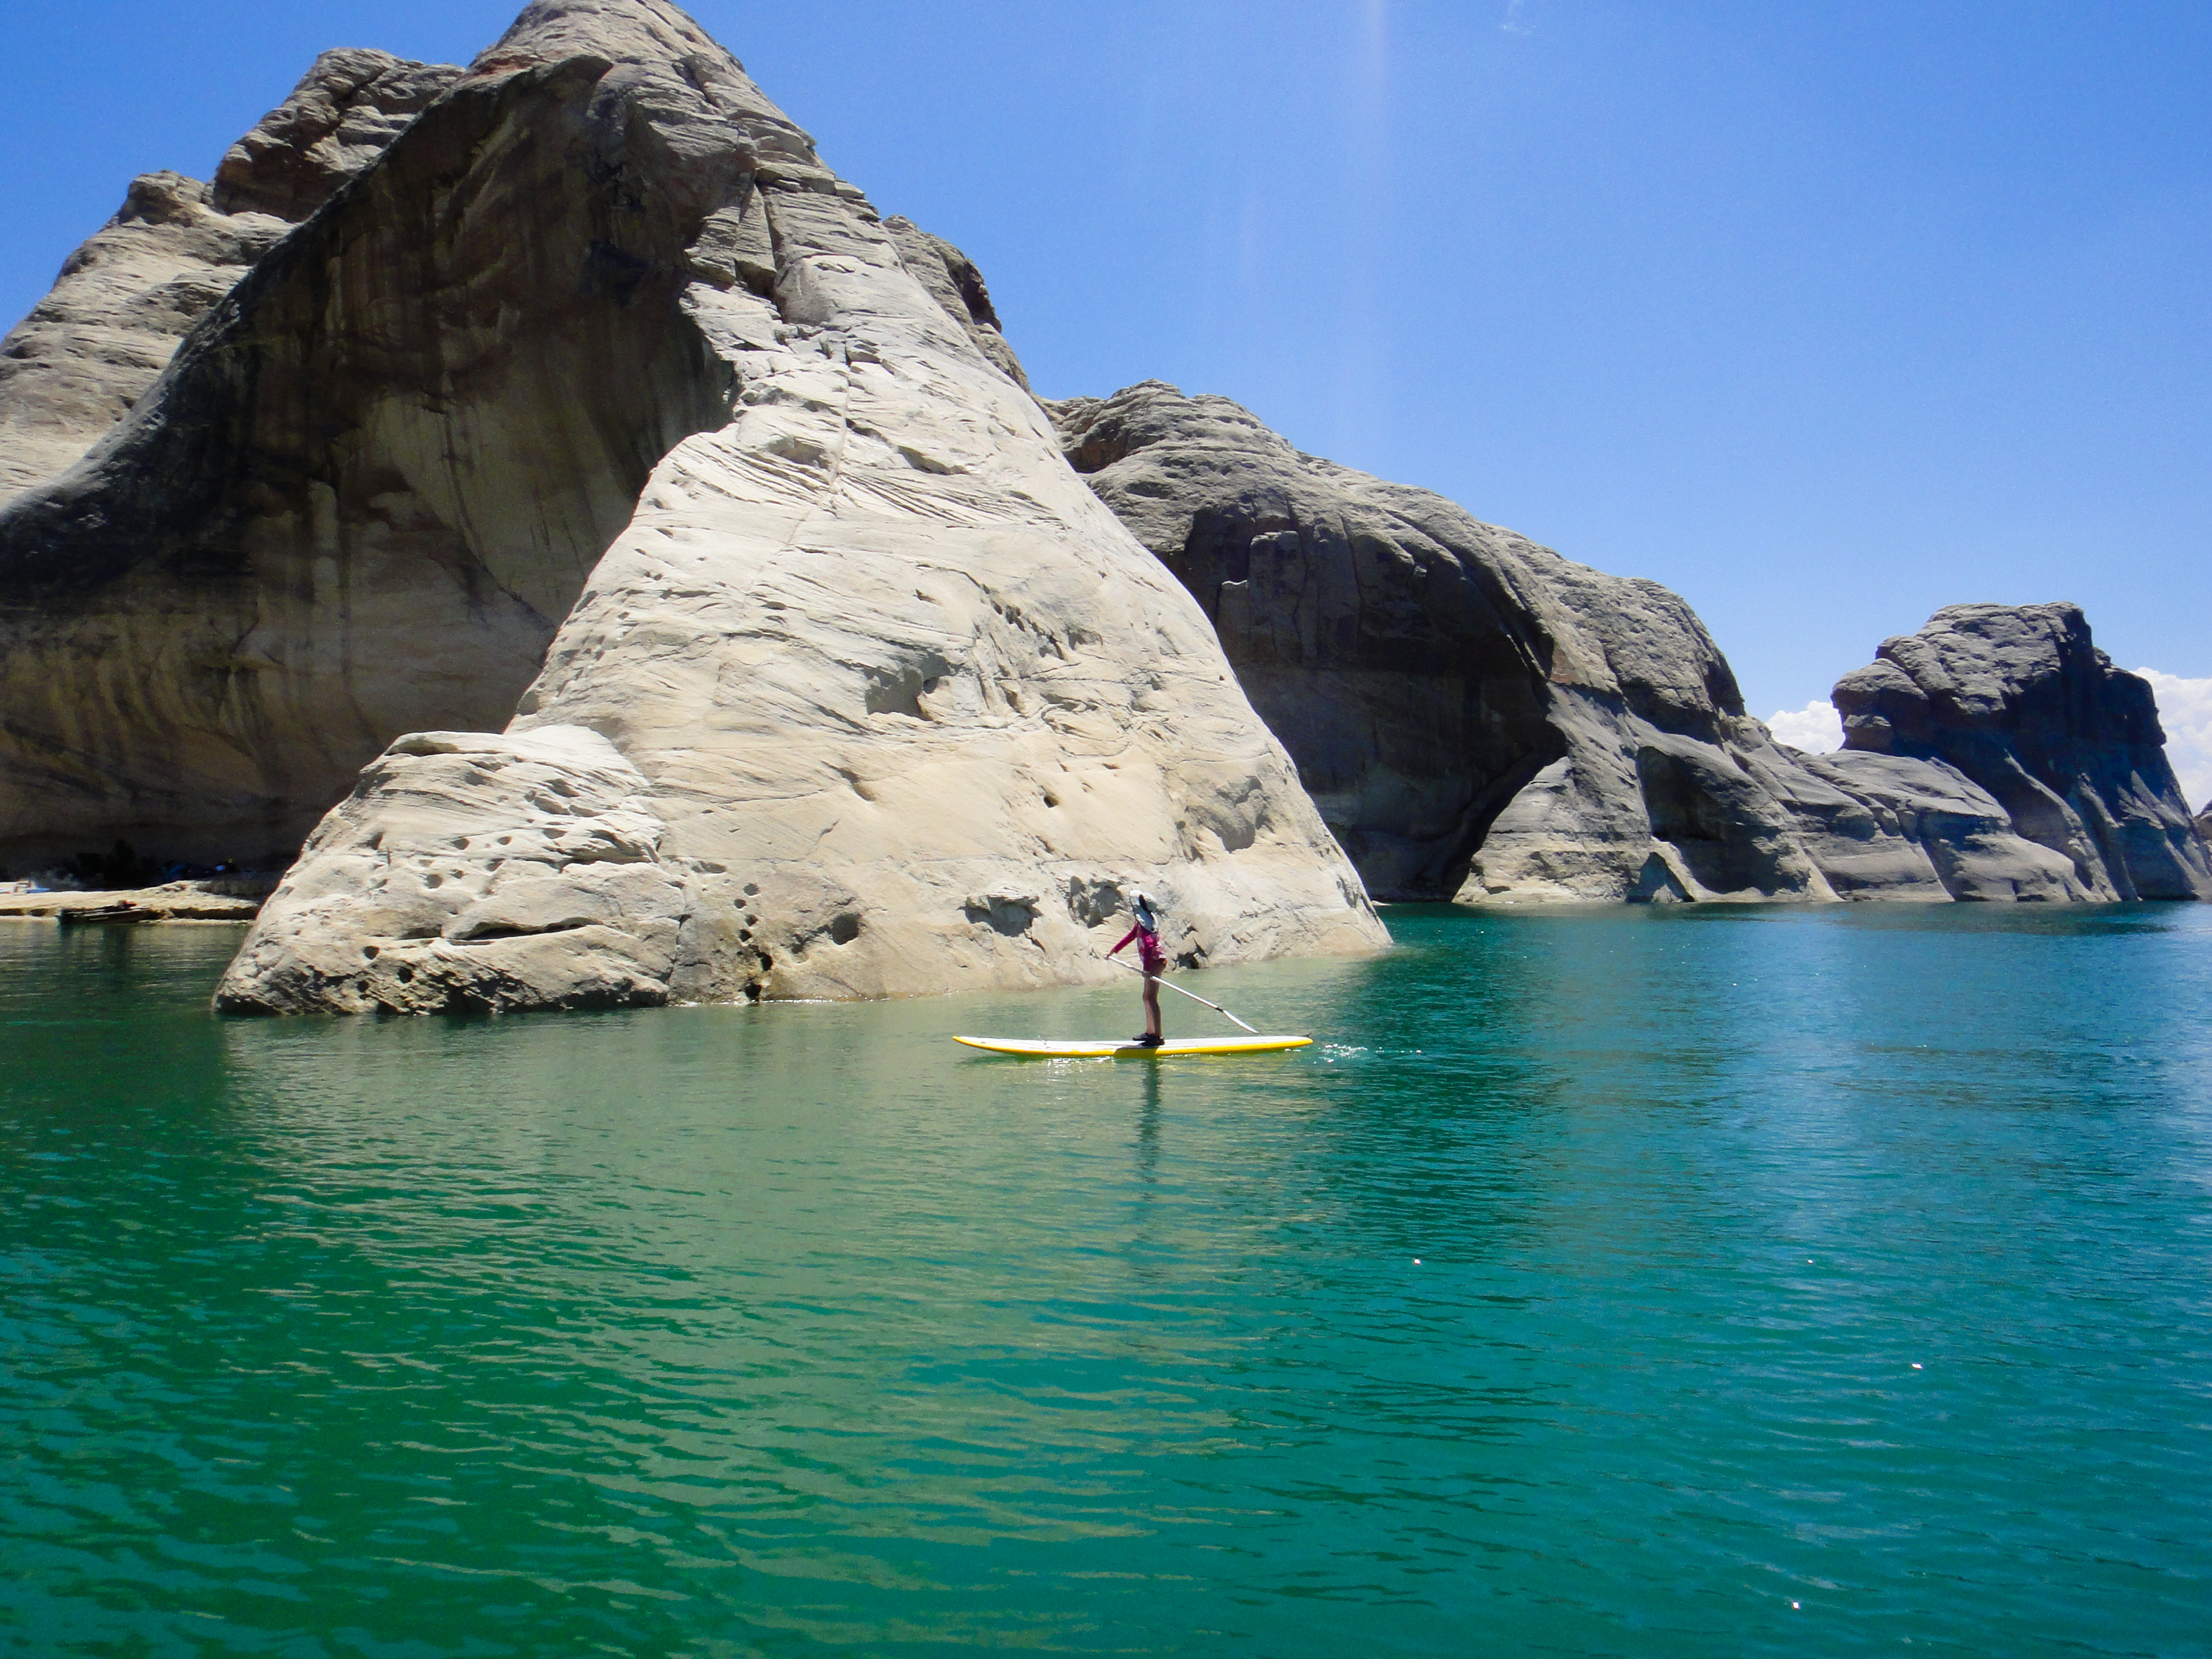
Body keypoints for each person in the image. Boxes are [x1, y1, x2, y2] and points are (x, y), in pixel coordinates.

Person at [1109, 890, 1167, 1046]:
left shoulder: (1148, 926)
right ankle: (1150, 1032)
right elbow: (1130, 936)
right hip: (1151, 963)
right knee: (1147, 997)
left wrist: (1147, 970)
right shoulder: (1141, 924)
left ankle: (1158, 1037)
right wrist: (1114, 950)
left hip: (1155, 962)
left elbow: (1149, 948)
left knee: (1151, 998)